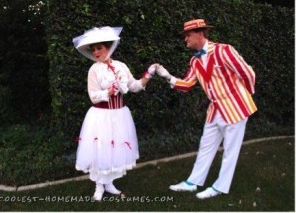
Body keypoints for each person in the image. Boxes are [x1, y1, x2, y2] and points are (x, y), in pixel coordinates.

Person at [156, 19, 257, 199]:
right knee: (205, 146)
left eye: (188, 35)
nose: (185, 39)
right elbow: (187, 84)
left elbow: (248, 73)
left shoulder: (224, 50)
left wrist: (245, 96)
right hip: (215, 110)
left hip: (236, 109)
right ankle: (192, 182)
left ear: (200, 34)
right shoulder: (195, 61)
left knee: (230, 151)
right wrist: (167, 76)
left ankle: (220, 187)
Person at [72, 26, 158, 202]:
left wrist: (149, 74)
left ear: (109, 47)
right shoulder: (94, 70)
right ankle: (98, 186)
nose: (96, 52)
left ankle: (109, 183)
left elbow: (133, 86)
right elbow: (93, 97)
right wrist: (109, 92)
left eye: (99, 48)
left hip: (119, 116)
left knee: (114, 150)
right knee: (100, 149)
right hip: (101, 116)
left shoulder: (121, 66)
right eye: (93, 49)